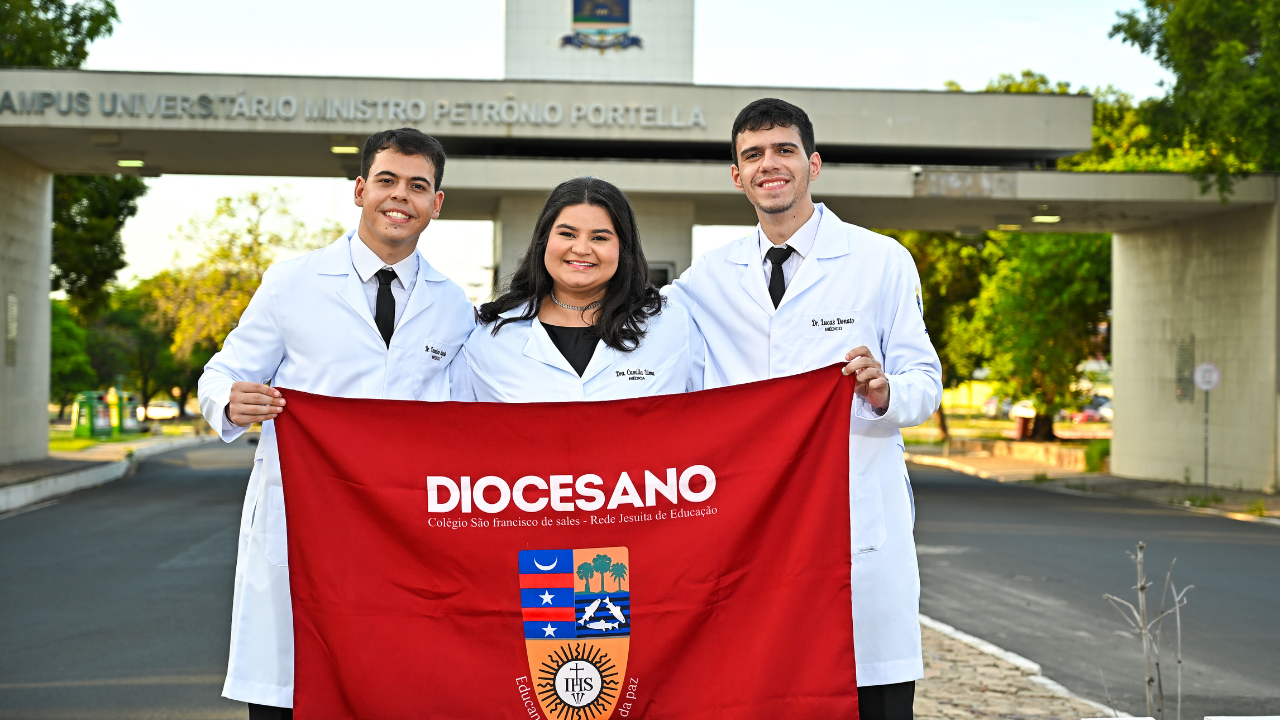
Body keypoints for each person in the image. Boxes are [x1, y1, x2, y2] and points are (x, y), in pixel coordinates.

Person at [664, 98, 942, 720]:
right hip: (752, 540)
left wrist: (883, 390)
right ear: (736, 176)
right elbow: (641, 341)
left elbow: (925, 381)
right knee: (761, 691)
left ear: (812, 164)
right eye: (753, 155)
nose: (771, 165)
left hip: (855, 530)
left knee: (868, 696)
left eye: (785, 150)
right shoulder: (708, 277)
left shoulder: (881, 261)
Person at [197, 128, 476, 719]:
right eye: (387, 180)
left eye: (418, 186)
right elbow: (223, 371)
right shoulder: (292, 283)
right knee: (293, 692)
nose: (400, 197)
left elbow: (468, 419)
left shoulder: (454, 307)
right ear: (359, 190)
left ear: (436, 204)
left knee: (392, 688)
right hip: (304, 525)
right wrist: (229, 401)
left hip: (403, 534)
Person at [462, 176, 701, 401]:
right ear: (544, 240)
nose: (582, 248)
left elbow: (709, 414)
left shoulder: (673, 328)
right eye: (567, 234)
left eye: (599, 238)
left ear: (623, 248)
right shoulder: (489, 336)